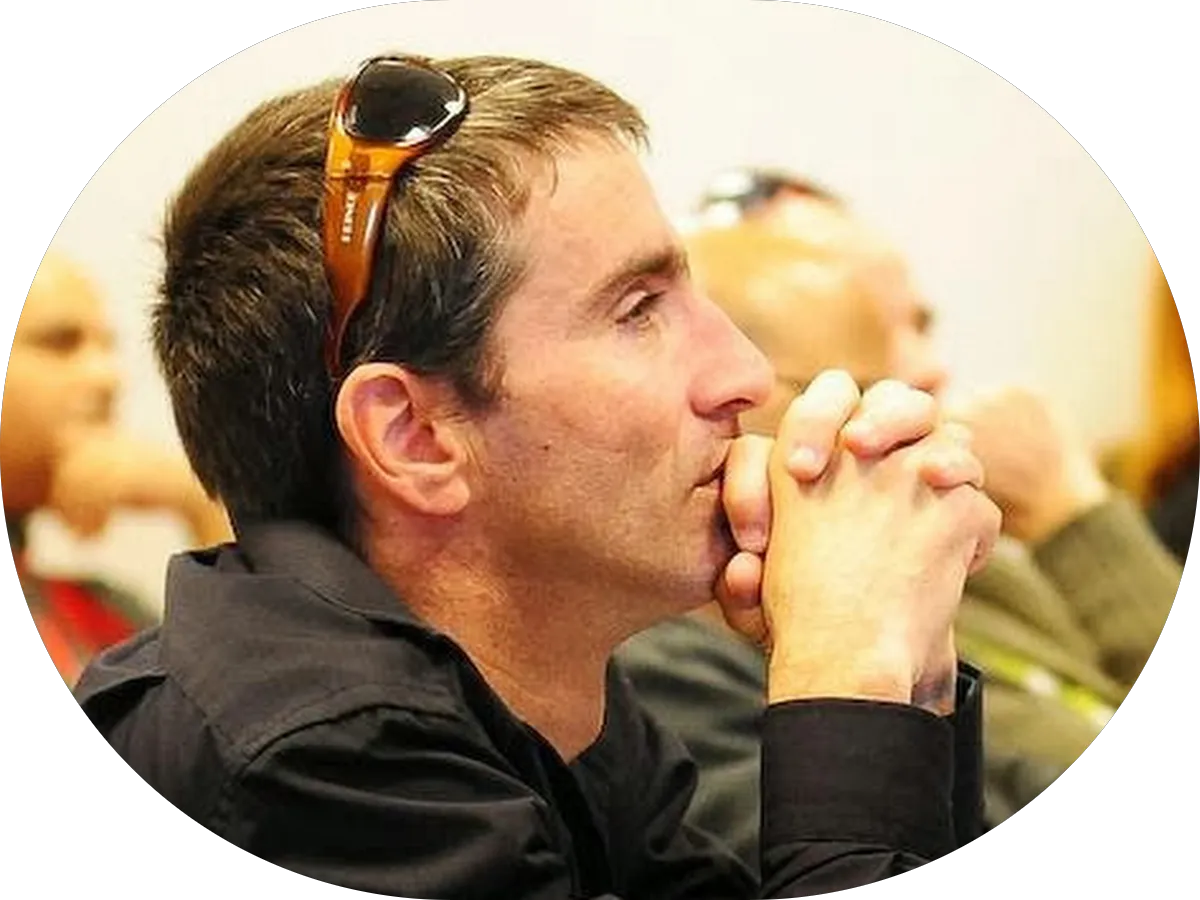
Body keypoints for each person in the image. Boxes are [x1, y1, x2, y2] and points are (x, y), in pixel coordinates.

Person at [72, 55, 1000, 897]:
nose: (746, 376)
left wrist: (905, 659)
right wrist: (845, 668)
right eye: (638, 310)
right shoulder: (321, 758)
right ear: (415, 438)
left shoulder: (548, 702)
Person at [615, 168, 1184, 870]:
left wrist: (1075, 517)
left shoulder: (970, 567)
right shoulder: (664, 662)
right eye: (868, 377)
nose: (925, 380)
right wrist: (1076, 520)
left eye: (921, 324)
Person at [3, 248, 232, 687]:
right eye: (60, 343)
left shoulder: (101, 614)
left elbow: (249, 710)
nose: (108, 377)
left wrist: (198, 503)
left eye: (106, 346)